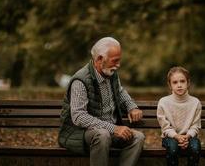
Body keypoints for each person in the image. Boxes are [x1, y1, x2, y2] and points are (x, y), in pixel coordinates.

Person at [58, 37, 145, 166]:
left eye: (119, 60)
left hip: (109, 131)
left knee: (138, 137)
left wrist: (132, 107)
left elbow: (120, 92)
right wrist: (114, 128)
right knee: (102, 135)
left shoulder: (111, 73)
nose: (118, 65)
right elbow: (78, 117)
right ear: (99, 59)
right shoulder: (80, 80)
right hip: (82, 133)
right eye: (115, 61)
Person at [157, 66, 201, 166]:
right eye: (175, 82)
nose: (179, 85)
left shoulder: (195, 102)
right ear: (170, 85)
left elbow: (195, 126)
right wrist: (177, 136)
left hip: (189, 136)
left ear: (188, 83)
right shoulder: (163, 102)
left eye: (182, 81)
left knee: (195, 148)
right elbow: (165, 127)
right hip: (170, 137)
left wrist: (187, 136)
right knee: (173, 148)